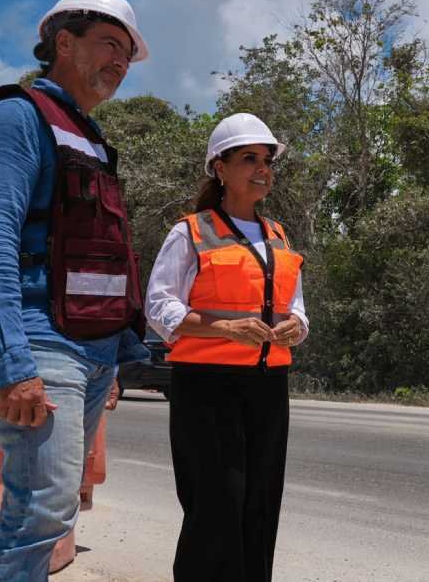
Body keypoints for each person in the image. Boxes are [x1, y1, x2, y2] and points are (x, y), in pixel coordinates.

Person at [0, 0, 151, 580]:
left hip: (89, 351)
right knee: (40, 512)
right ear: (63, 42)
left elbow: (104, 259)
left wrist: (116, 354)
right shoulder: (16, 115)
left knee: (54, 513)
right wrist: (10, 361)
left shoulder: (87, 136)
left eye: (128, 53)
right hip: (39, 345)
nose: (120, 61)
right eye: (109, 45)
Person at [146, 113, 309, 582]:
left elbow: (295, 306)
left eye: (266, 161)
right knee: (215, 507)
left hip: (267, 387)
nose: (262, 169)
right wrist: (226, 329)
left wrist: (295, 326)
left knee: (260, 504)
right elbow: (159, 309)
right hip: (207, 390)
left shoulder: (277, 235)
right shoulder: (190, 232)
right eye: (249, 159)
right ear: (219, 168)